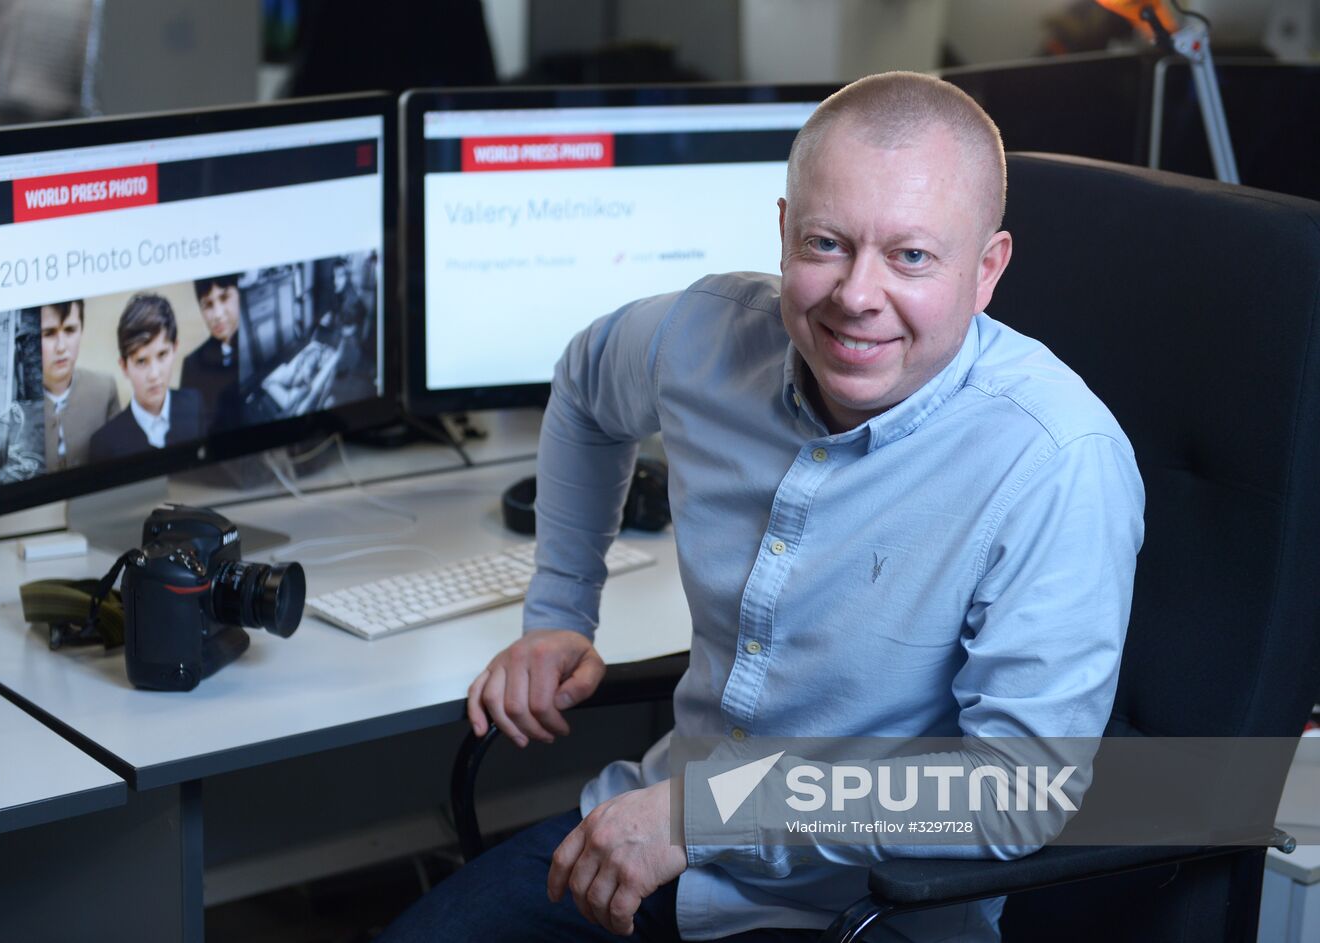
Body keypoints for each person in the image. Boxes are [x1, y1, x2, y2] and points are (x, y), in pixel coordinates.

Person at [380, 72, 1145, 941]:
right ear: (783, 230)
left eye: (912, 256)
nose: (857, 294)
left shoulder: (1057, 462)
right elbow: (585, 388)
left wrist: (703, 812)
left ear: (987, 270)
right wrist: (561, 609)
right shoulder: (703, 335)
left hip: (863, 907)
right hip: (648, 842)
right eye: (826, 242)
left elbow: (1017, 791)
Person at [89, 294, 203, 462]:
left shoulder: (195, 405)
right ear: (124, 367)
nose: (154, 374)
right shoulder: (104, 443)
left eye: (162, 354)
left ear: (175, 348)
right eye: (141, 361)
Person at [36, 300, 119, 472]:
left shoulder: (104, 389)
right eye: (49, 333)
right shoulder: (15, 408)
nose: (61, 347)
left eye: (70, 330)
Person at [179, 274, 249, 433]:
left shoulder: (261, 344)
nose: (217, 314)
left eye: (224, 298)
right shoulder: (192, 365)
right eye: (208, 305)